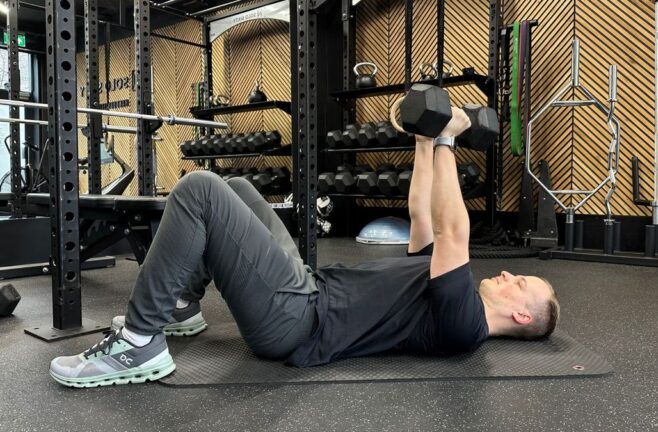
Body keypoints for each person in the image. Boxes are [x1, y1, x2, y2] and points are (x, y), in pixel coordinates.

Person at [49, 108, 560, 388]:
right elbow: (423, 213)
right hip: (306, 290)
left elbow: (454, 230)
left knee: (199, 189)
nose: (511, 276)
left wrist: (449, 139)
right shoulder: (443, 284)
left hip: (297, 321)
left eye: (522, 284)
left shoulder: (465, 322)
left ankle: (139, 342)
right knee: (239, 191)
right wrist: (425, 139)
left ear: (519, 314)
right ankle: (180, 304)